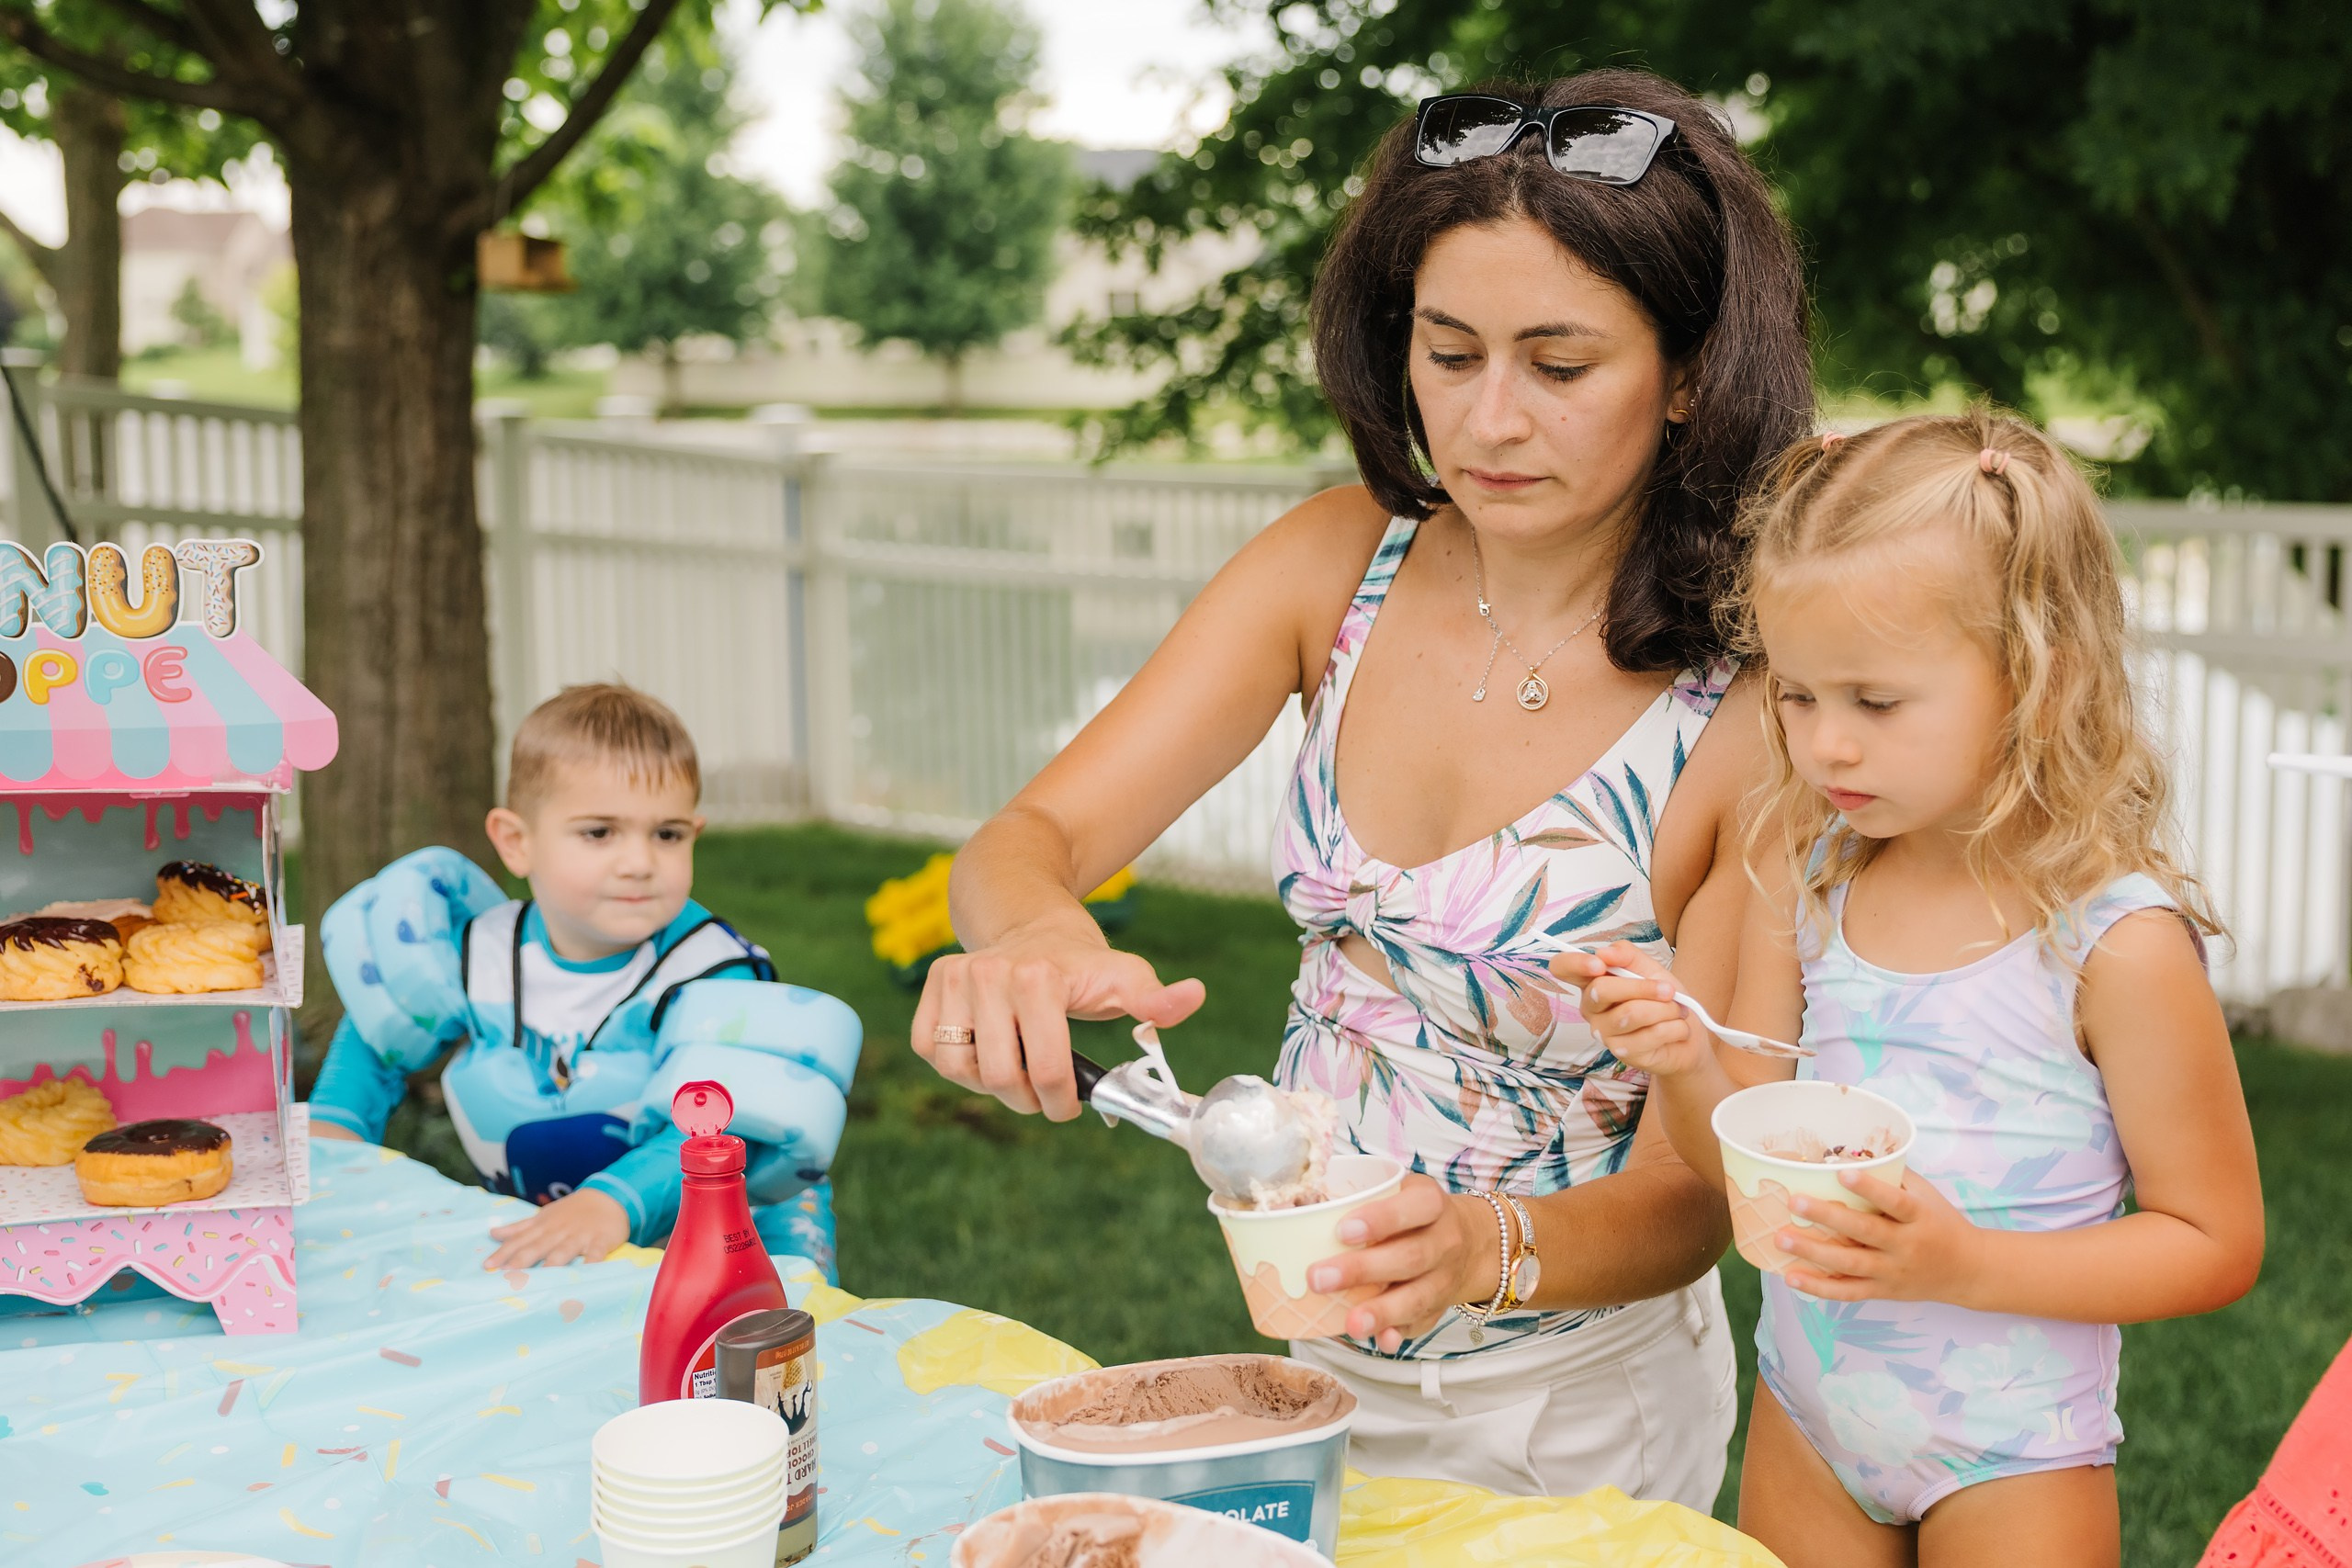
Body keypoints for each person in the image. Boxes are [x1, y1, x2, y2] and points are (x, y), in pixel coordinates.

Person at [913, 70, 1811, 1504]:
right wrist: (1030, 938)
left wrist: (1479, 1248)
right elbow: (1037, 835)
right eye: (1448, 353)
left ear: (1694, 369)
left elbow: (1696, 1192)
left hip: (1568, 1410)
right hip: (1312, 1359)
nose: (1490, 420)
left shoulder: (1754, 702)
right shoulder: (1341, 556)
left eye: (1560, 365)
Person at [1568, 412, 2265, 1564]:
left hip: (2011, 1454)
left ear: (2039, 678)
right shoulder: (1811, 881)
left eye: (1874, 703)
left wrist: (1964, 1265)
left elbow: (2213, 1239)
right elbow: (1737, 1154)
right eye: (1794, 697)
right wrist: (1681, 1058)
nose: (1823, 747)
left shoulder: (2112, 944)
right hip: (1808, 1415)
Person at [308, 683, 860, 1279]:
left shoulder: (713, 974)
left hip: (726, 1243)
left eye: (667, 834)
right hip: (559, 1237)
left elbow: (720, 1129)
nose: (639, 861)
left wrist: (613, 1200)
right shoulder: (477, 952)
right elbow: (381, 1028)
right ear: (517, 843)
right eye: (600, 832)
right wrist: (336, 1128)